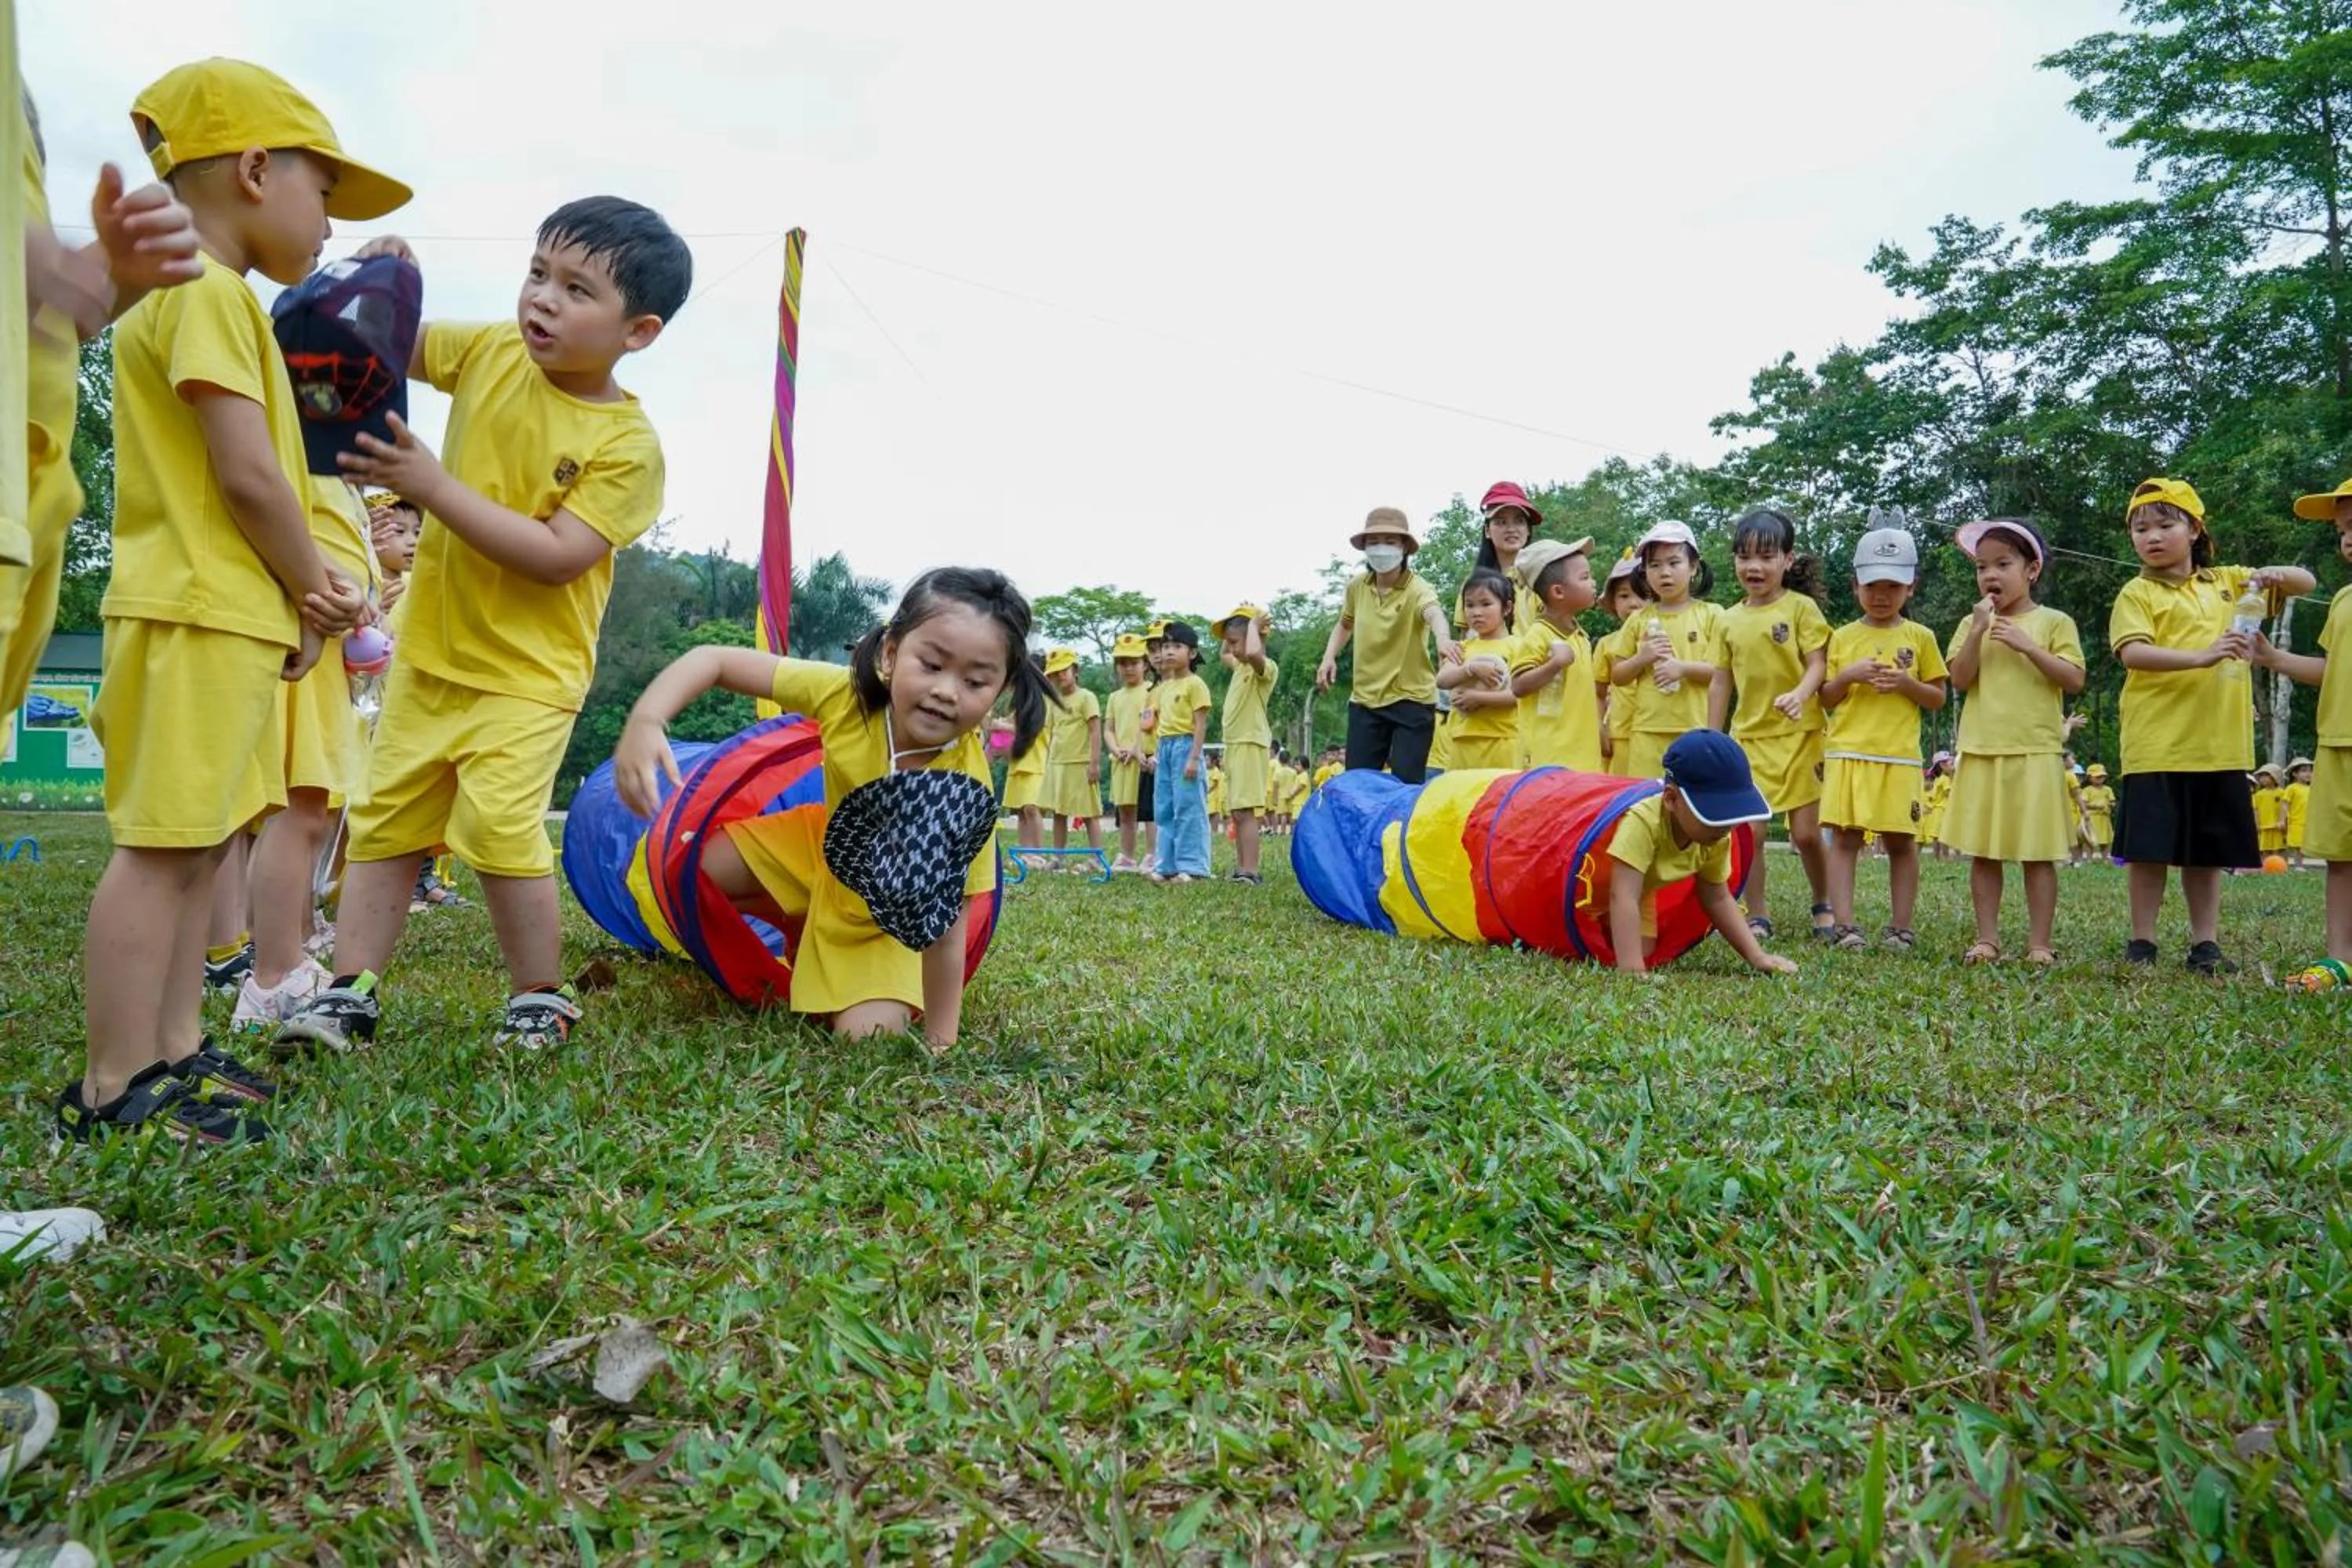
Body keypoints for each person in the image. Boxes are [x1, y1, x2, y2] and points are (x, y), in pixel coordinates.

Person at [57, 60, 394, 1142]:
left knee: (200, 846)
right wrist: (316, 581)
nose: (330, 224)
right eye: (324, 192)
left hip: (225, 616)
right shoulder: (202, 292)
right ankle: (117, 1082)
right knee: (162, 851)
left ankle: (174, 1051)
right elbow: (249, 475)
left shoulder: (213, 297)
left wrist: (291, 607)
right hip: (194, 609)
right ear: (255, 169)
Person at [274, 197, 689, 1055]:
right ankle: (351, 989)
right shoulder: (493, 351)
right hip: (431, 652)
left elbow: (553, 554)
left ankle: (540, 994)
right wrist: (381, 284)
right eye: (538, 272)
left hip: (529, 674)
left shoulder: (627, 444)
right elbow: (394, 340)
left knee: (501, 831)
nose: (542, 298)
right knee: (385, 822)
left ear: (637, 331)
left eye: (577, 289)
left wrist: (428, 486)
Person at [611, 568, 1045, 1047]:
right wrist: (648, 719)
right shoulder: (845, 697)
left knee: (869, 1039)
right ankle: (799, 922)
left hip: (883, 922)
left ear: (1000, 691)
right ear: (891, 652)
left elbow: (950, 922)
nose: (947, 691)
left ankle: (837, 956)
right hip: (818, 851)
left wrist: (943, 1042)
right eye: (932, 664)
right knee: (692, 868)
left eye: (976, 681)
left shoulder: (963, 794)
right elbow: (713, 660)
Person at [232, 256, 419, 1034]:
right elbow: (295, 535)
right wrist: (339, 594)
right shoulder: (299, 450)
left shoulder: (327, 454)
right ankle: (273, 972)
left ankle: (282, 952)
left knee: (305, 811)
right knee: (299, 810)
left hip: (323, 645)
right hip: (305, 645)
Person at [2108, 477, 2314, 973]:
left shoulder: (2230, 583)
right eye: (2140, 529)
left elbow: (2305, 583)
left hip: (2220, 746)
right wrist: (2203, 655)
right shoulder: (2137, 592)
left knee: (2205, 853)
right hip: (2156, 744)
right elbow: (2133, 652)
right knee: (2148, 852)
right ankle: (2143, 942)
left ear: (2195, 529)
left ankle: (2205, 944)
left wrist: (2271, 573)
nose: (2151, 537)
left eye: (2165, 524)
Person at [1940, 519, 2087, 966]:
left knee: (2037, 854)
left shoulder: (2054, 622)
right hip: (1983, 748)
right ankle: (1987, 939)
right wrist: (1979, 629)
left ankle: (2040, 943)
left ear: (2032, 570)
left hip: (2037, 750)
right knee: (1985, 852)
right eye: (1982, 567)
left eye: (2004, 564)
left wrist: (2028, 646)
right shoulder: (1972, 621)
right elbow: (1959, 679)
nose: (1991, 575)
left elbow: (2074, 679)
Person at [1818, 521, 1949, 952]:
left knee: (1901, 841)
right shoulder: (1841, 637)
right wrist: (1851, 676)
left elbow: (1936, 698)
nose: (1881, 595)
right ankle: (1845, 926)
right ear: (1855, 584)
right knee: (1846, 838)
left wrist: (1907, 684)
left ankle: (1901, 927)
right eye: (1872, 584)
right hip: (1849, 752)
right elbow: (1827, 697)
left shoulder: (1921, 638)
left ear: (1911, 588)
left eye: (1893, 586)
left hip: (1899, 756)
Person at [1710, 507, 1833, 942]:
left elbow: (1818, 664)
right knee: (1751, 832)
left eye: (1765, 556)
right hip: (1749, 739)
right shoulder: (1726, 619)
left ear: (1787, 559)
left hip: (1801, 736)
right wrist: (1712, 735)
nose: (1754, 567)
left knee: (1805, 833)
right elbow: (1721, 679)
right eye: (1744, 557)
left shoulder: (1802, 609)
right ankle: (1757, 914)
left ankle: (1824, 903)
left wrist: (1800, 696)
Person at [2257, 478, 2352, 987]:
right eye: (2343, 531)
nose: (2348, 539)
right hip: (2337, 742)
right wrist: (2273, 659)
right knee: (2341, 858)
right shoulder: (2342, 600)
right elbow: (2330, 668)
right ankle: (2341, 958)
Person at [1606, 731, 1798, 978]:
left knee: (1645, 950)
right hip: (1590, 885)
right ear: (1671, 799)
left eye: (1731, 816)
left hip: (1640, 893)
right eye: (1713, 814)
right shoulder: (1643, 822)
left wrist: (1758, 957)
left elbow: (1717, 897)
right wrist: (1631, 969)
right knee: (1622, 952)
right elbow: (1621, 894)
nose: (1725, 827)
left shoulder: (1716, 836)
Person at [1316, 508, 1461, 782]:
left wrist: (1443, 639)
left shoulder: (1418, 589)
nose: (1381, 549)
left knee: (1405, 785)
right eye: (1374, 542)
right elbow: (1345, 623)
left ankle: (1403, 826)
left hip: (1412, 701)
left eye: (1391, 541)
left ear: (1404, 547)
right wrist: (1328, 657)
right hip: (1365, 702)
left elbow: (1434, 613)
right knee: (1358, 785)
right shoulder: (1357, 587)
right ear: (1365, 548)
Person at [1606, 521, 1725, 780]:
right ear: (1644, 572)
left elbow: (1723, 674)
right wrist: (1642, 658)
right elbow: (1618, 675)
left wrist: (1682, 669)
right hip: (1646, 731)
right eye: (1655, 565)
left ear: (1693, 567)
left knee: (1691, 806)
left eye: (1674, 563)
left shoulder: (1711, 615)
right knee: (1647, 803)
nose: (1664, 573)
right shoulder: (1637, 620)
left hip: (1695, 731)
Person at [1506, 536, 1602, 772]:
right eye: (1585, 577)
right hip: (1548, 760)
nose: (1593, 582)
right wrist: (1554, 665)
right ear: (1558, 591)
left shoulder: (1579, 636)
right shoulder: (1539, 635)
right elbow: (1518, 685)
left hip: (1583, 758)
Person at [1144, 621, 1213, 881]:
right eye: (1166, 646)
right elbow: (1159, 725)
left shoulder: (1196, 685)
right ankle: (1166, 865)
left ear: (1192, 653)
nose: (1169, 651)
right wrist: (1156, 756)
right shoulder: (1163, 688)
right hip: (1166, 748)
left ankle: (1193, 866)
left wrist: (1194, 758)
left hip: (1186, 746)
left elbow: (1200, 724)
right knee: (1164, 807)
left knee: (1189, 807)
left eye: (1177, 646)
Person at [1438, 568, 1521, 769]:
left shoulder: (1519, 646)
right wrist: (1471, 668)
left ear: (1507, 608)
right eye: (1470, 605)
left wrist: (1477, 697)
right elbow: (1442, 680)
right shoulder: (1463, 648)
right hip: (1462, 740)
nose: (1476, 612)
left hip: (1504, 740)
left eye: (1486, 604)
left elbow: (1520, 695)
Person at [1218, 604, 1277, 884]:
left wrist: (1254, 626)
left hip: (1250, 743)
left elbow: (1254, 651)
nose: (1231, 648)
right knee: (1237, 811)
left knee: (1248, 810)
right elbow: (1224, 654)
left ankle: (1251, 870)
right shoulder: (1239, 667)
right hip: (1234, 744)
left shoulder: (1263, 668)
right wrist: (1235, 623)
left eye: (1234, 641)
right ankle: (1241, 868)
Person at [1040, 649, 1101, 862]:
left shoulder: (1086, 697)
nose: (1060, 676)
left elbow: (1095, 730)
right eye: (1055, 673)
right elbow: (1050, 731)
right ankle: (1058, 857)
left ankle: (1096, 858)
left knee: (1088, 813)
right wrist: (1047, 763)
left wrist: (1094, 763)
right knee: (1059, 812)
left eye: (1063, 670)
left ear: (1075, 670)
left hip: (1080, 762)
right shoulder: (1052, 700)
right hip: (1057, 763)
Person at [1100, 633, 1151, 871]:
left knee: (1149, 811)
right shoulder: (1114, 697)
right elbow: (1108, 729)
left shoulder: (1152, 691)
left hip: (1142, 760)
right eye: (1123, 663)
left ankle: (1153, 854)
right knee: (1126, 811)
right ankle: (1127, 855)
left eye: (1134, 662)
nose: (1128, 668)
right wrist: (1115, 748)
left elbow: (1152, 725)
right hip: (1121, 762)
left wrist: (1134, 747)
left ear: (1146, 663)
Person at [1594, 551, 1646, 775]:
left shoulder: (1668, 636)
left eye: (1641, 595)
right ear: (1613, 602)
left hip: (1661, 730)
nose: (1633, 604)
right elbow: (1597, 691)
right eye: (1624, 596)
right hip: (1621, 734)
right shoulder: (1607, 644)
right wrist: (1599, 727)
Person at [1001, 650, 1047, 866]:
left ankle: (1037, 852)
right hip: (1018, 763)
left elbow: (1024, 728)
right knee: (1020, 811)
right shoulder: (1019, 701)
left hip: (1036, 762)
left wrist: (995, 724)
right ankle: (1024, 853)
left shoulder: (1043, 700)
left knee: (1031, 808)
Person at [2081, 763, 2116, 858]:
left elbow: (2113, 802)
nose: (2100, 778)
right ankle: (2088, 858)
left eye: (2102, 776)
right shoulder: (2087, 790)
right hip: (2092, 818)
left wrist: (2111, 805)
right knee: (2090, 840)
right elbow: (2083, 803)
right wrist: (2095, 806)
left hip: (2104, 818)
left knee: (2105, 840)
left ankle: (2105, 858)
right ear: (2090, 778)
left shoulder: (2107, 789)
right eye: (2097, 776)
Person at [2253, 765, 2286, 862]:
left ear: (2275, 777)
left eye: (2266, 775)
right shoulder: (2258, 795)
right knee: (2265, 850)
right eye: (2261, 776)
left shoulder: (2282, 793)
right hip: (2264, 827)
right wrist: (2257, 824)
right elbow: (2256, 810)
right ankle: (2266, 868)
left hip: (2277, 827)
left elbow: (2284, 809)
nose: (2263, 779)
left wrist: (2283, 822)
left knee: (2279, 850)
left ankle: (2281, 868)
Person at [2285, 757, 2313, 869]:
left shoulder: (2311, 788)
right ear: (2295, 774)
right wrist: (2283, 818)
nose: (2308, 773)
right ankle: (2298, 865)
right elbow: (2285, 803)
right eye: (2304, 770)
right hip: (2296, 820)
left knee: (2303, 845)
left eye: (2310, 770)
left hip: (2308, 821)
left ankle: (2299, 864)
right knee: (2297, 845)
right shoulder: (2292, 788)